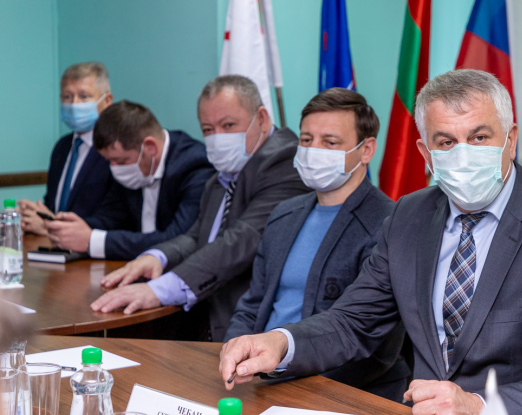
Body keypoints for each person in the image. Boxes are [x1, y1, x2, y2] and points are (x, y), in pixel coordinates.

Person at [219, 70, 522, 415]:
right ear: (426, 154)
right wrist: (281, 343)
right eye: (446, 141)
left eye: (479, 138)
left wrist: (480, 409)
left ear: (510, 140)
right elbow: (355, 321)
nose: (463, 153)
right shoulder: (408, 216)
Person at [90, 75, 311, 342]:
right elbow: (198, 235)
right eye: (208, 129)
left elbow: (241, 240)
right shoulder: (225, 172)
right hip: (204, 313)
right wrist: (157, 257)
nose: (218, 138)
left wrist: (159, 290)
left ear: (262, 119)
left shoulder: (284, 162)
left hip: (252, 327)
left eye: (228, 125)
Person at [225, 88, 410, 401]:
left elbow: (372, 341)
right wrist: (233, 352)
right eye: (307, 139)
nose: (313, 150)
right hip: (258, 379)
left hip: (335, 391)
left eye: (330, 142)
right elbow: (253, 303)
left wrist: (284, 378)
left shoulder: (390, 223)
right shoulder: (284, 213)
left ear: (366, 150)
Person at [45, 100, 215, 260]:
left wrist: (93, 240)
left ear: (150, 147)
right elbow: (110, 217)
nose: (115, 168)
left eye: (121, 161)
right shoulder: (130, 170)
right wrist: (71, 228)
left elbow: (178, 239)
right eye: (109, 161)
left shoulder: (195, 165)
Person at [19, 62, 114, 236]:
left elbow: (114, 219)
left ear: (107, 101)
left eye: (84, 97)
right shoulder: (62, 147)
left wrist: (50, 225)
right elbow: (52, 206)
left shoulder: (116, 149)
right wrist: (32, 215)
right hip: (52, 247)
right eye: (67, 97)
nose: (74, 104)